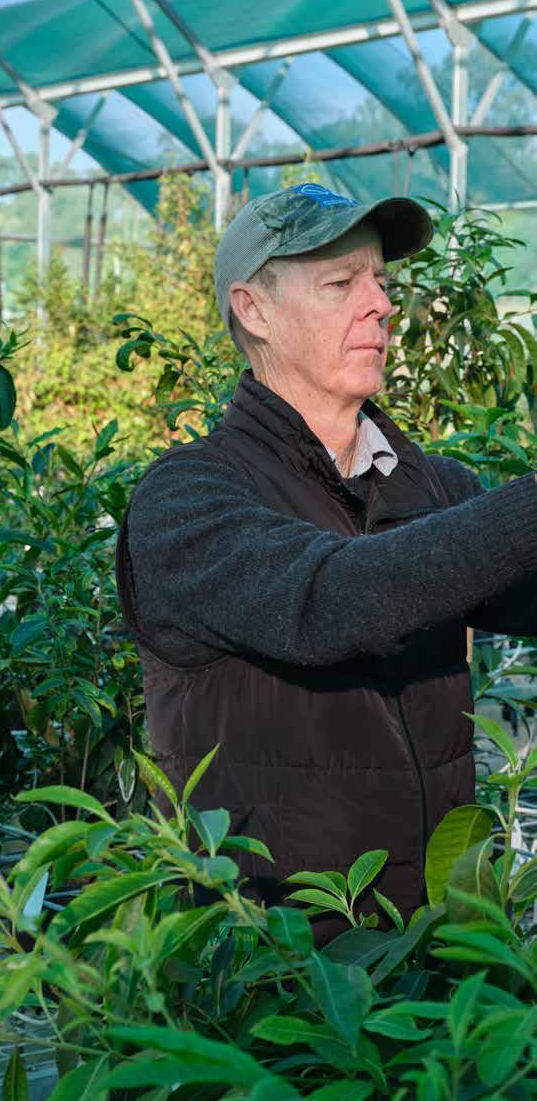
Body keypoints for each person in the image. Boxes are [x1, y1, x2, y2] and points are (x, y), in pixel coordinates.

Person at [115, 182, 537, 931]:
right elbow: (327, 600)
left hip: (435, 948)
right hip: (276, 960)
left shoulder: (429, 484)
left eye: (381, 281)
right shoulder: (186, 498)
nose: (380, 304)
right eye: (341, 283)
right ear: (254, 310)